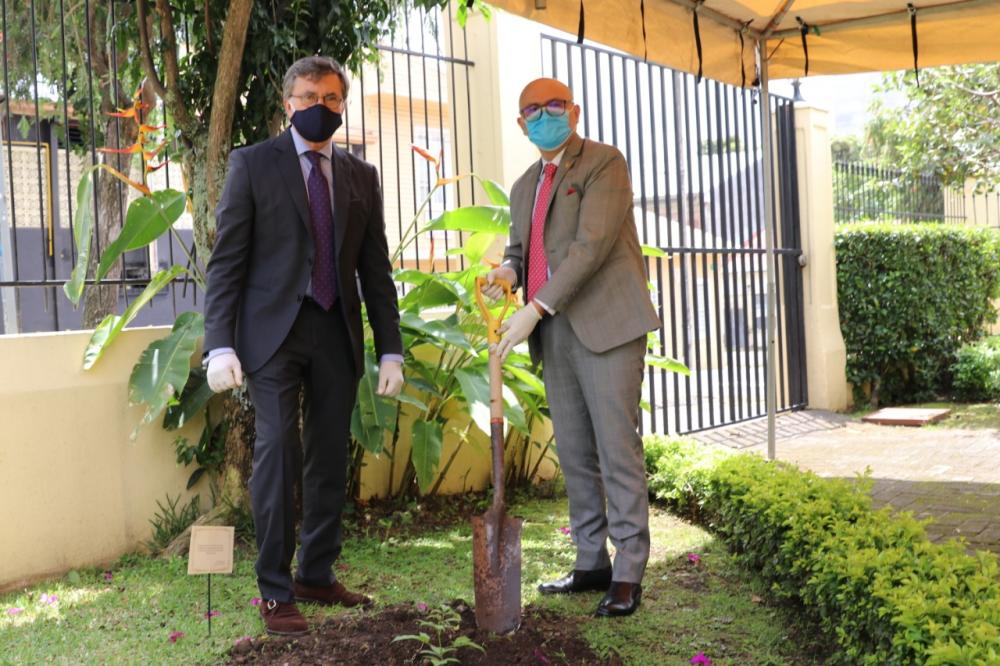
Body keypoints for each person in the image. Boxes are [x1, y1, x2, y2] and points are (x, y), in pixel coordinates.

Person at [202, 55, 404, 636]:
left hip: (335, 330)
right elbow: (227, 265)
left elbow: (375, 270)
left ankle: (315, 572)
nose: (321, 107)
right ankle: (274, 589)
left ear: (343, 105)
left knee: (327, 456)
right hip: (270, 336)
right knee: (279, 454)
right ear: (288, 102)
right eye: (310, 96)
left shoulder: (361, 176)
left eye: (333, 98)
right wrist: (220, 345)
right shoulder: (252, 165)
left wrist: (390, 348)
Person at [483, 77, 660, 618]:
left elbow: (590, 249)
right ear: (520, 124)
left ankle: (629, 568)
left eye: (553, 105)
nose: (543, 116)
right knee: (576, 453)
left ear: (574, 111)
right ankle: (591, 561)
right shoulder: (521, 187)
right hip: (555, 333)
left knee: (616, 448)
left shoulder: (604, 163)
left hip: (605, 326)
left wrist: (533, 309)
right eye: (531, 110)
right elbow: (522, 249)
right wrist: (509, 273)